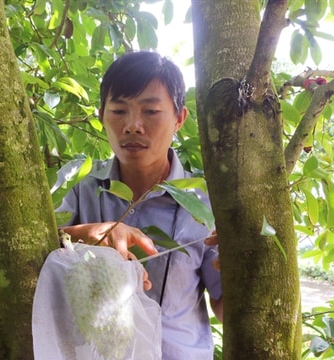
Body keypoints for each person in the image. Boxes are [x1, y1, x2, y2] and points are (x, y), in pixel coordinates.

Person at [57, 51, 222, 359]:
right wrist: (84, 234)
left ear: (179, 118)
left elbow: (225, 307)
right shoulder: (81, 189)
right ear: (101, 115)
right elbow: (35, 251)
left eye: (150, 111)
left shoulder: (205, 203)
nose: (133, 126)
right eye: (119, 111)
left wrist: (242, 265)